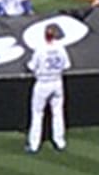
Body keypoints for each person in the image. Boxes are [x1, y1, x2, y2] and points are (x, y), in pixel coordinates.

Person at [25, 23, 70, 153]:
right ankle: (60, 142)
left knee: (37, 114)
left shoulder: (40, 49)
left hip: (43, 83)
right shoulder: (61, 48)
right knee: (58, 112)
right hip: (57, 82)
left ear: (45, 35)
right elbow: (67, 65)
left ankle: (34, 145)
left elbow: (32, 66)